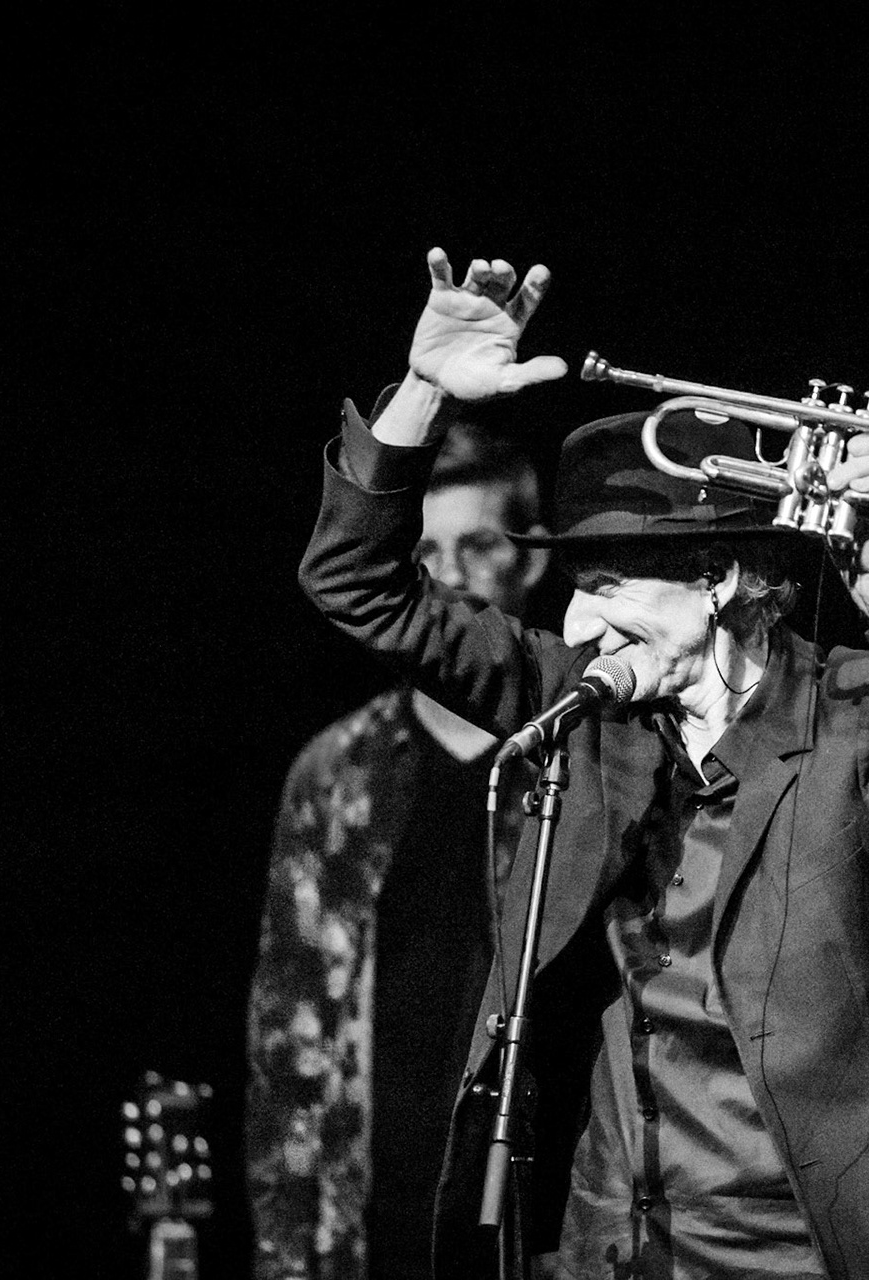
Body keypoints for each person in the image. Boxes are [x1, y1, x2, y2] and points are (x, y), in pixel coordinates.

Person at [296, 248, 869, 1279]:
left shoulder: (851, 710)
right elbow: (355, 584)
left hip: (826, 1241)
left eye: (606, 580)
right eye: (572, 582)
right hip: (630, 1237)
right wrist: (420, 394)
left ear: (719, 576)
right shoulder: (582, 699)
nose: (577, 617)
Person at [247, 418, 552, 1279]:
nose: (451, 574)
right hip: (375, 1204)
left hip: (538, 1207)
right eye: (429, 552)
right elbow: (288, 1035)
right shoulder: (338, 773)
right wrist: (286, 1250)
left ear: (528, 558)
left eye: (479, 544)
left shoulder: (585, 756)